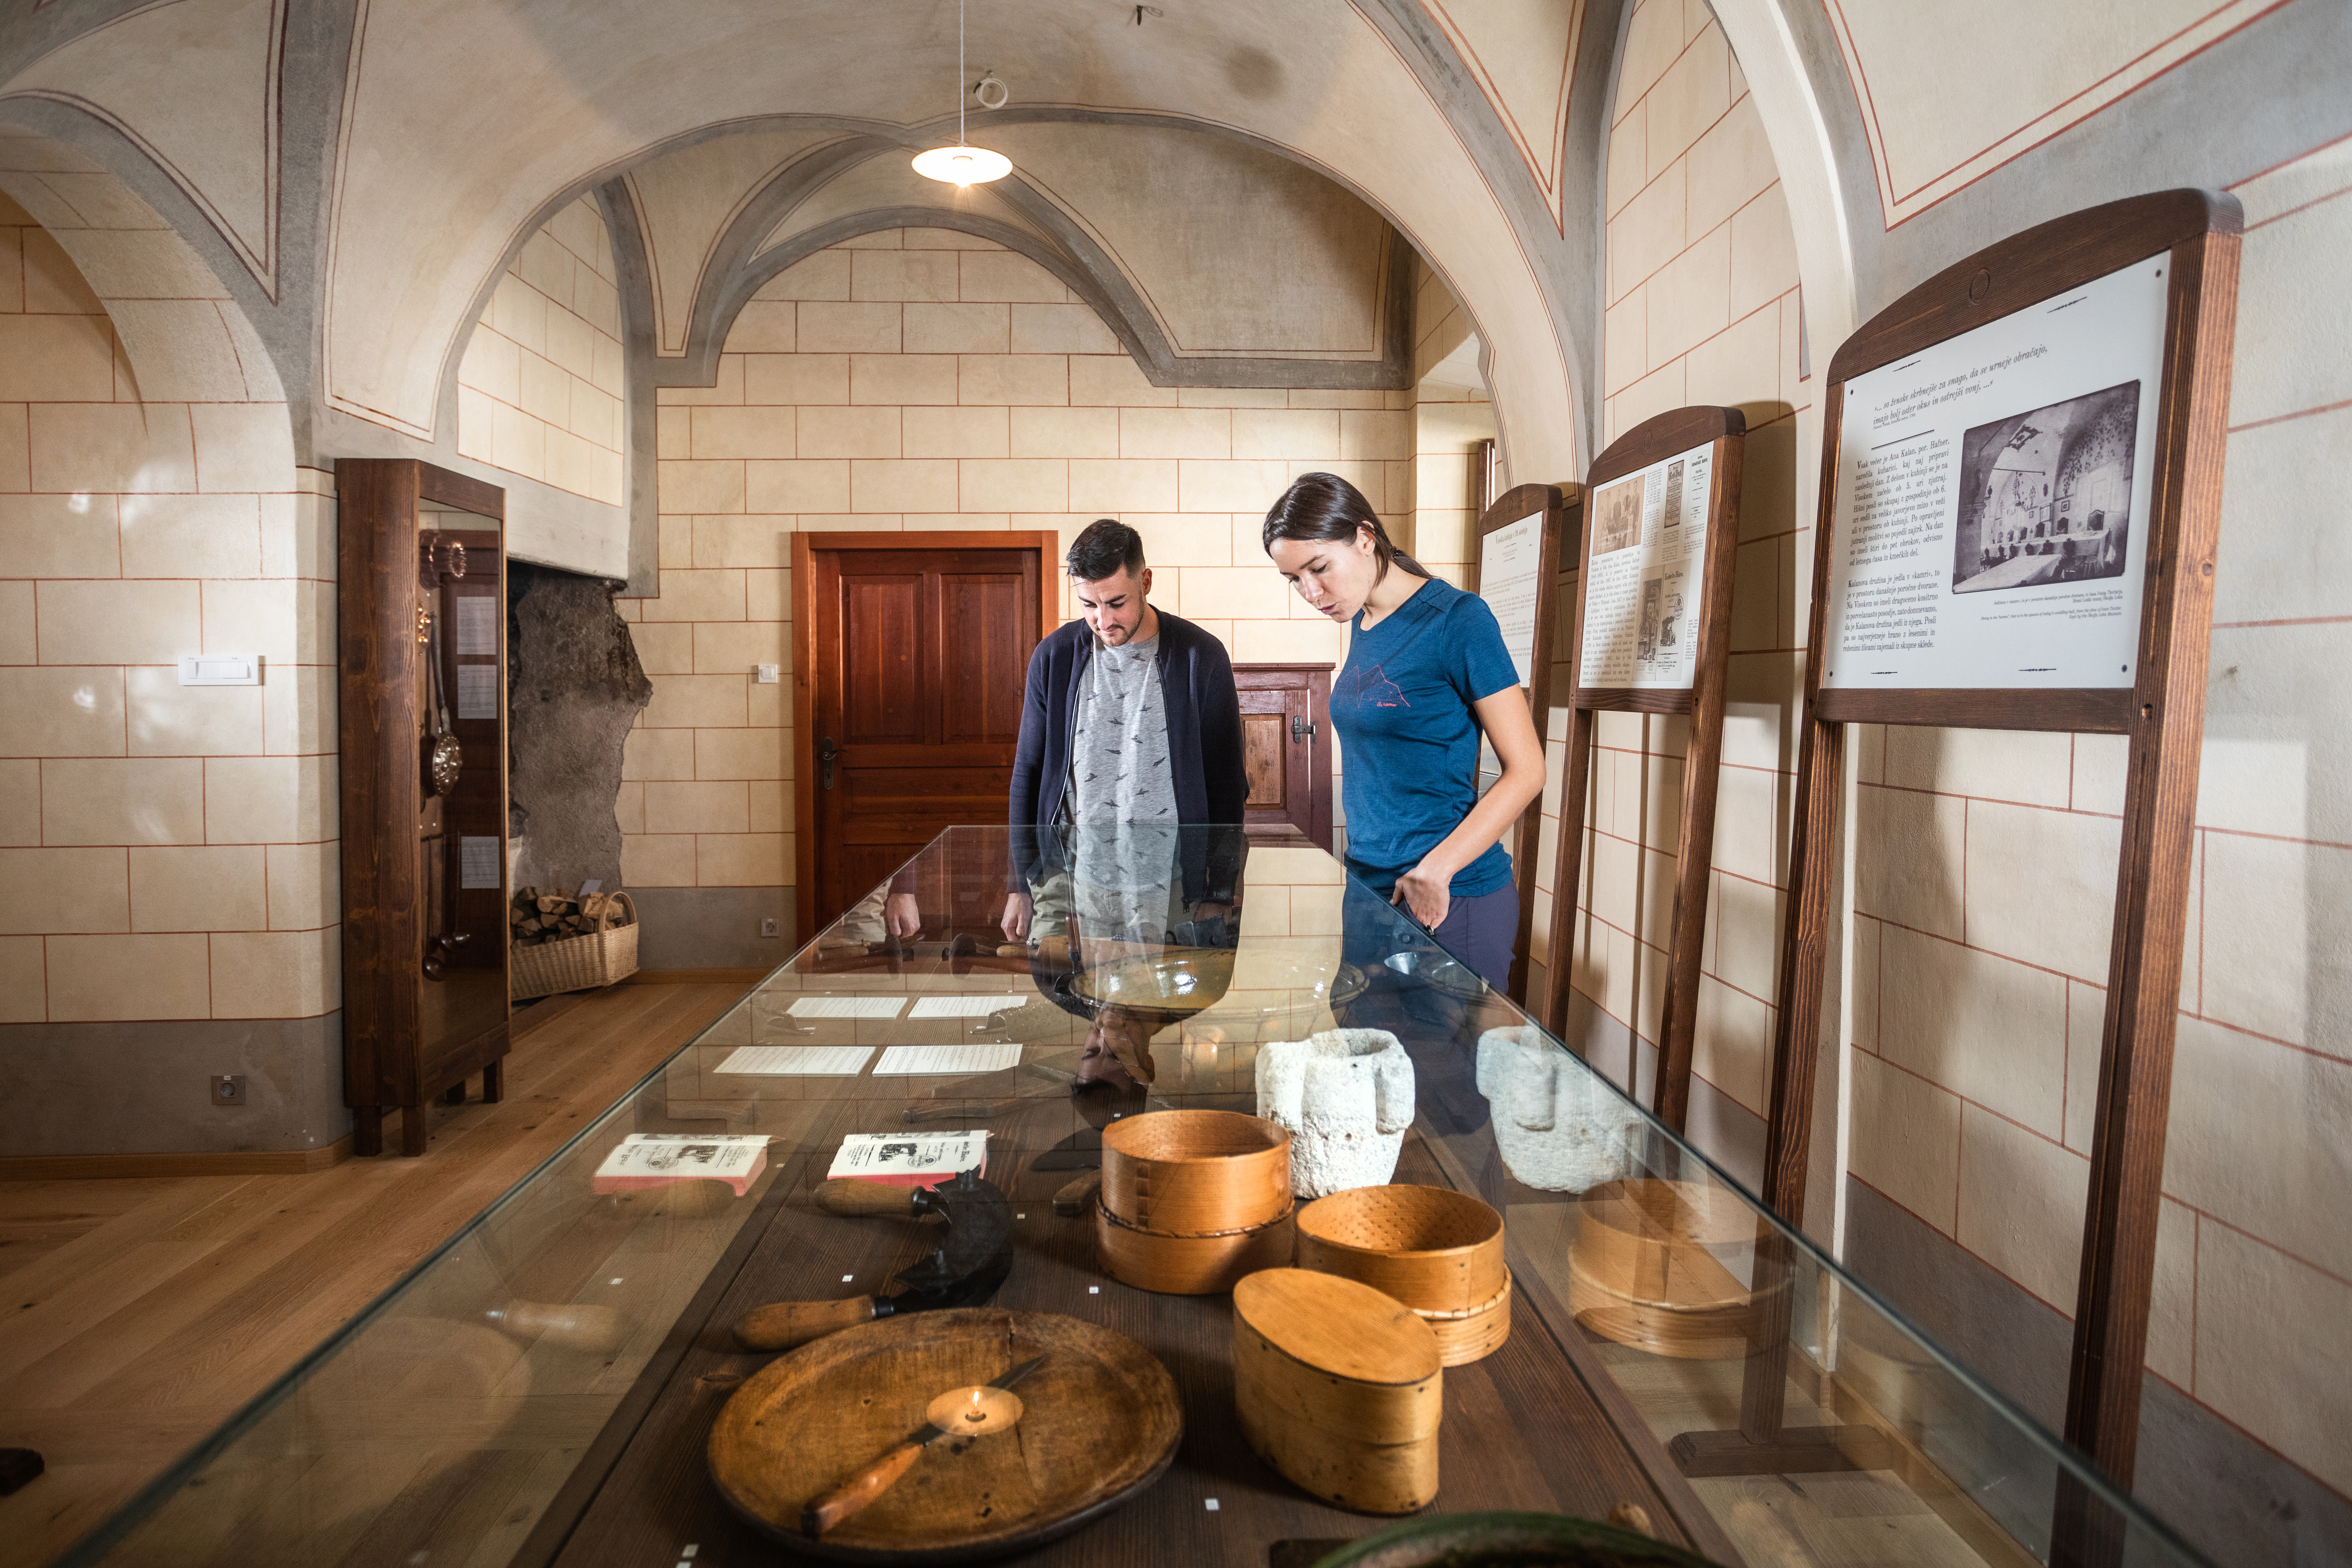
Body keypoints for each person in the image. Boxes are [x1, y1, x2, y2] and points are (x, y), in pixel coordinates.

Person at [1261, 472, 1545, 992]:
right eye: (1293, 578)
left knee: (1448, 1072)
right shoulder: (1362, 620)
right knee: (1367, 1062)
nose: (1310, 592)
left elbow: (1528, 770)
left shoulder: (1459, 620)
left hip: (1448, 892)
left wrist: (1436, 869)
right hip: (1368, 889)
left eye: (1319, 568)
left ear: (1365, 538)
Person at [1004, 520, 1247, 954]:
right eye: (1089, 605)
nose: (1103, 620)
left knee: (1159, 1011)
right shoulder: (1054, 658)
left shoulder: (1200, 656)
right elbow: (1029, 771)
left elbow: (1228, 783)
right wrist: (1019, 882)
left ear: (1146, 581)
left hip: (1173, 881)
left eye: (1116, 603)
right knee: (1063, 1011)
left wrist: (1220, 892)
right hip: (1067, 877)